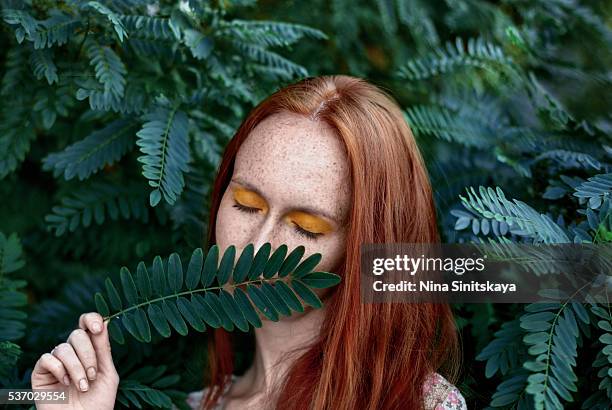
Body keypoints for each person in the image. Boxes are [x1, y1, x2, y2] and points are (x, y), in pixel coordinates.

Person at [32, 75, 467, 410]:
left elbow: (532, 273)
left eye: (306, 228)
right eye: (245, 204)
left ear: (365, 247)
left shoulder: (417, 402)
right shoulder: (197, 405)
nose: (257, 247)